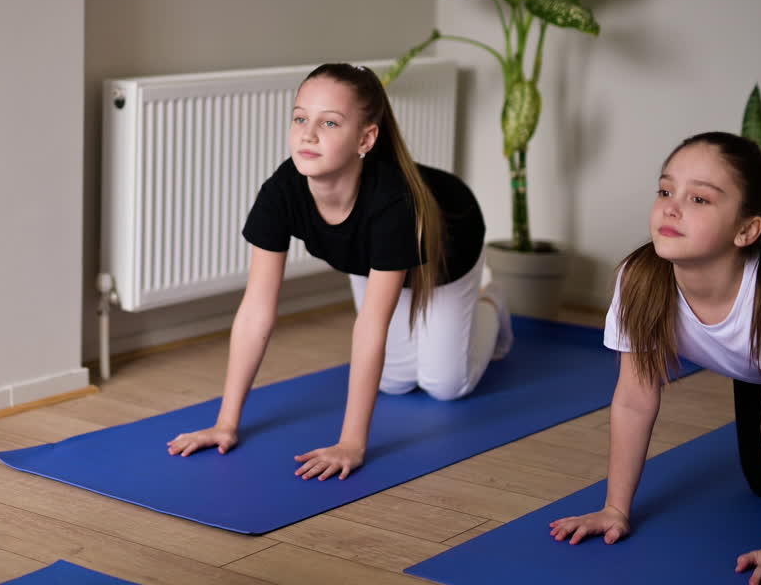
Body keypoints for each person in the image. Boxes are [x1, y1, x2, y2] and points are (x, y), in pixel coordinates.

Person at [166, 63, 511, 481]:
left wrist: (352, 443)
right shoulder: (281, 192)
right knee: (397, 381)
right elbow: (256, 311)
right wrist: (226, 423)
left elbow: (371, 326)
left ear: (365, 139)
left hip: (445, 255)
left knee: (443, 385)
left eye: (329, 122)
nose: (308, 133)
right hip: (371, 260)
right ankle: (452, 324)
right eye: (300, 118)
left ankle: (490, 305)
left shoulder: (392, 201)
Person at [549, 132, 761, 585]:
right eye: (666, 190)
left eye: (699, 199)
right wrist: (614, 508)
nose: (671, 206)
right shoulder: (640, 278)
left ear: (747, 230)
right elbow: (634, 400)